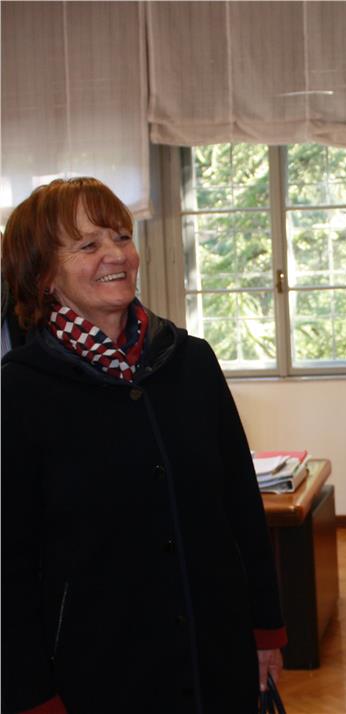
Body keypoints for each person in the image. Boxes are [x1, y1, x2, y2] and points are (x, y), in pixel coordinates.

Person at [1, 177, 287, 714]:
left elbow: (241, 507)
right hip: (98, 675)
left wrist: (266, 630)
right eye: (88, 245)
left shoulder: (192, 362)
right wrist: (31, 693)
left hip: (216, 657)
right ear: (43, 276)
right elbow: (8, 563)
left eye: (121, 236)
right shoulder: (19, 389)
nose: (116, 254)